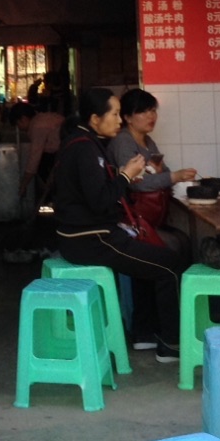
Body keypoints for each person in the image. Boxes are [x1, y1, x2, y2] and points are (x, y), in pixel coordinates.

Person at [51, 86, 186, 364]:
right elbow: (100, 201)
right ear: (94, 118)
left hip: (86, 236)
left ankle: (145, 334)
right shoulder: (85, 148)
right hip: (91, 238)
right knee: (169, 265)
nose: (118, 120)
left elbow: (95, 192)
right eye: (113, 114)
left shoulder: (84, 142)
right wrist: (125, 176)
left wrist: (123, 176)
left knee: (148, 258)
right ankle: (171, 344)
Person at [107, 87, 196, 261]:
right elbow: (137, 183)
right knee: (174, 244)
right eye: (143, 111)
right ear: (127, 117)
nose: (151, 116)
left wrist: (168, 175)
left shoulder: (148, 141)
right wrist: (174, 176)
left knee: (184, 240)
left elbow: (164, 171)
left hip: (149, 218)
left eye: (153, 110)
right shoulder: (123, 141)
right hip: (129, 220)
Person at [11, 100, 64, 203]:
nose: (19, 128)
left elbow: (34, 159)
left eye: (18, 124)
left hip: (63, 154)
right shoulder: (41, 119)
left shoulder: (37, 126)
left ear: (23, 119)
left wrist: (24, 185)